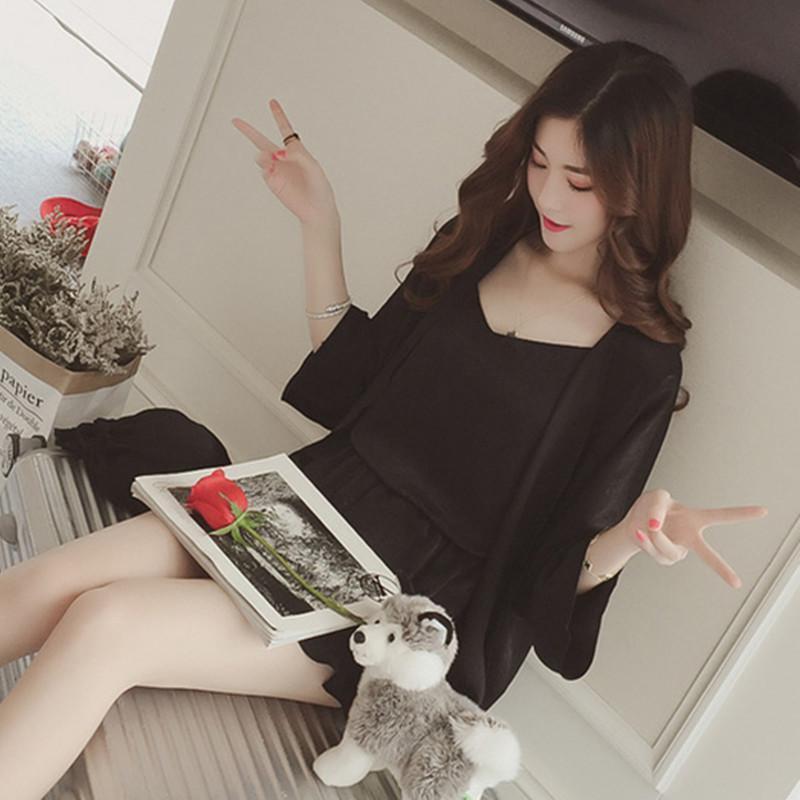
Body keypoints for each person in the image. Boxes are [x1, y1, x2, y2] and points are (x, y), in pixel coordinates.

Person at [0, 40, 767, 800]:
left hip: (409, 604)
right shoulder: (486, 240)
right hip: (310, 504)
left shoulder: (639, 363)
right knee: (48, 582)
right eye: (540, 163)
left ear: (638, 188)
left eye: (581, 181)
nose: (550, 198)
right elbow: (355, 386)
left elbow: (552, 573)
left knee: (108, 626)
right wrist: (320, 222)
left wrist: (630, 540)